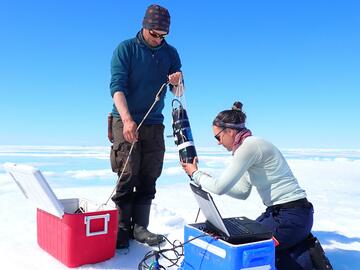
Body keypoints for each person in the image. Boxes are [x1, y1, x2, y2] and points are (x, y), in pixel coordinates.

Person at [181, 101, 332, 269]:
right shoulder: (247, 148)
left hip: (291, 215)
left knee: (252, 248)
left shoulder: (250, 147)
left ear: (229, 131)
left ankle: (306, 255)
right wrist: (208, 181)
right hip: (279, 213)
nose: (218, 142)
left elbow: (220, 187)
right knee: (239, 237)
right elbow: (243, 192)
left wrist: (196, 174)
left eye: (218, 137)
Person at [109, 4, 183, 249]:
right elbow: (116, 88)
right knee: (128, 171)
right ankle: (120, 228)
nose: (158, 39)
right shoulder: (126, 49)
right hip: (125, 118)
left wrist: (177, 81)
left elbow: (179, 92)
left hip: (154, 122)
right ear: (144, 26)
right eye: (154, 34)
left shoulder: (170, 53)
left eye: (163, 36)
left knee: (149, 173)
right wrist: (128, 120)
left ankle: (140, 227)